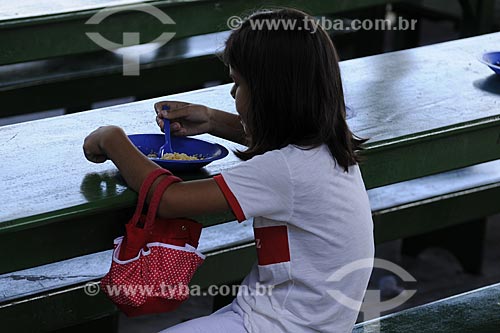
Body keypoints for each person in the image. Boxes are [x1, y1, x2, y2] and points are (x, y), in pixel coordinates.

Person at [83, 8, 374, 333]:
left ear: (269, 94)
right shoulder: (326, 145)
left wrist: (113, 139)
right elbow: (277, 139)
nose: (233, 94)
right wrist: (211, 119)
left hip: (275, 325)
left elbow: (169, 199)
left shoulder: (285, 171)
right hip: (297, 319)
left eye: (238, 83)